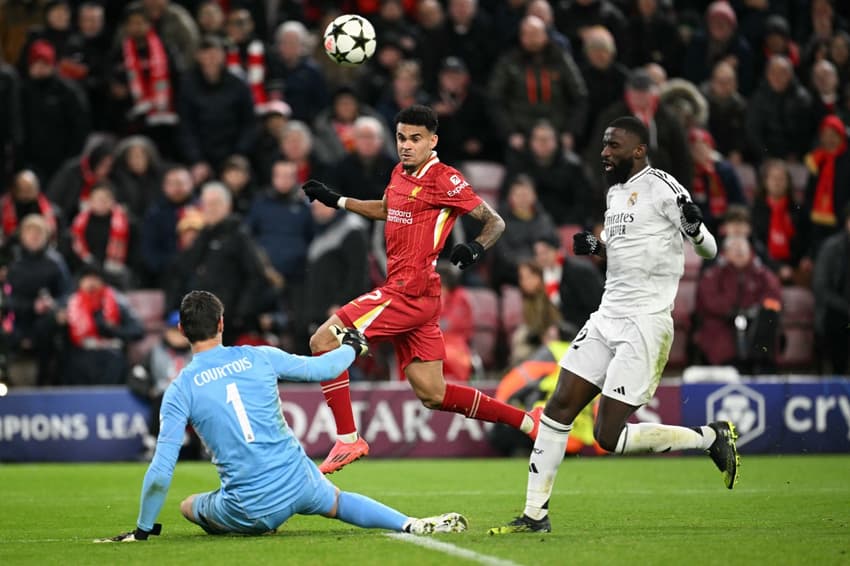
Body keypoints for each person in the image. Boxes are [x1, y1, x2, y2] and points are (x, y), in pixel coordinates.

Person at [489, 116, 738, 535]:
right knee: (558, 408)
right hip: (608, 315)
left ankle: (710, 438)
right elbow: (626, 254)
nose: (604, 152)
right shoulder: (615, 194)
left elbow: (710, 248)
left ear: (638, 150)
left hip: (646, 322)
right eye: (604, 145)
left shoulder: (664, 186)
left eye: (613, 145)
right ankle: (534, 516)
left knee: (608, 436)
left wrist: (695, 231)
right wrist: (598, 249)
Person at [94, 290, 467, 542]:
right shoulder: (259, 355)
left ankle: (254, 521)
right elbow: (322, 369)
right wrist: (352, 347)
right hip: (301, 482)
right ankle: (410, 523)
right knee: (337, 501)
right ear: (221, 323)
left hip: (249, 508)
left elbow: (161, 470)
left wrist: (142, 531)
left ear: (181, 330)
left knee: (188, 505)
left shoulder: (180, 389)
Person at [301, 104, 536, 474]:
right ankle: (528, 422)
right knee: (433, 393)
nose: (406, 146)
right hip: (416, 297)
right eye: (401, 138)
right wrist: (338, 200)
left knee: (322, 342)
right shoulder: (398, 173)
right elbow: (386, 209)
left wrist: (475, 247)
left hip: (407, 291)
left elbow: (495, 221)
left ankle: (348, 439)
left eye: (415, 139)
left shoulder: (444, 178)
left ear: (432, 141)